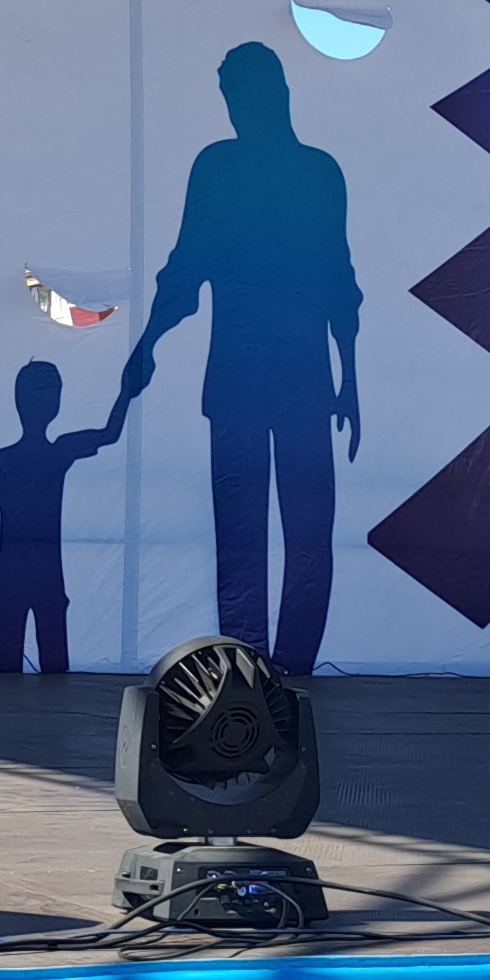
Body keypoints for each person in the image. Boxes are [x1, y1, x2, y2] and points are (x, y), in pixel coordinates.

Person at [118, 44, 360, 675]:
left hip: (285, 382)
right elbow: (186, 271)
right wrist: (147, 343)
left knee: (302, 535)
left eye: (242, 96)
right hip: (255, 383)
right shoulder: (229, 168)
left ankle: (285, 670)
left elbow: (337, 282)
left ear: (274, 94)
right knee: (249, 536)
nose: (237, 109)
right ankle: (252, 669)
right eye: (231, 99)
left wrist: (351, 379)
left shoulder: (311, 173)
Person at [0, 361, 128, 674]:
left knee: (27, 664)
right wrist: (127, 392)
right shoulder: (54, 453)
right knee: (33, 664)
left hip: (24, 574)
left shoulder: (13, 458)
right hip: (30, 575)